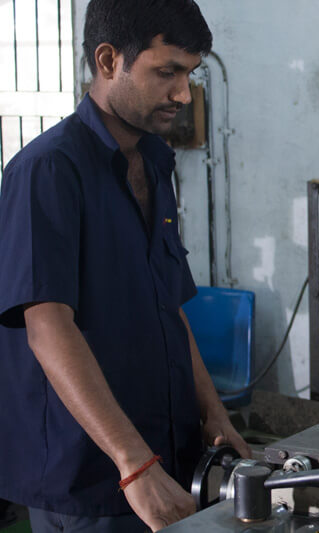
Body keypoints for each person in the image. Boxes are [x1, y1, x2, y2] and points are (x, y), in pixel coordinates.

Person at [0, 1, 251, 531]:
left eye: (190, 73)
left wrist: (213, 412)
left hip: (165, 458)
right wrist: (133, 465)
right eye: (167, 72)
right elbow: (47, 329)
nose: (184, 94)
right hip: (92, 476)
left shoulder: (155, 164)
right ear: (109, 60)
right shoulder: (46, 171)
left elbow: (170, 307)